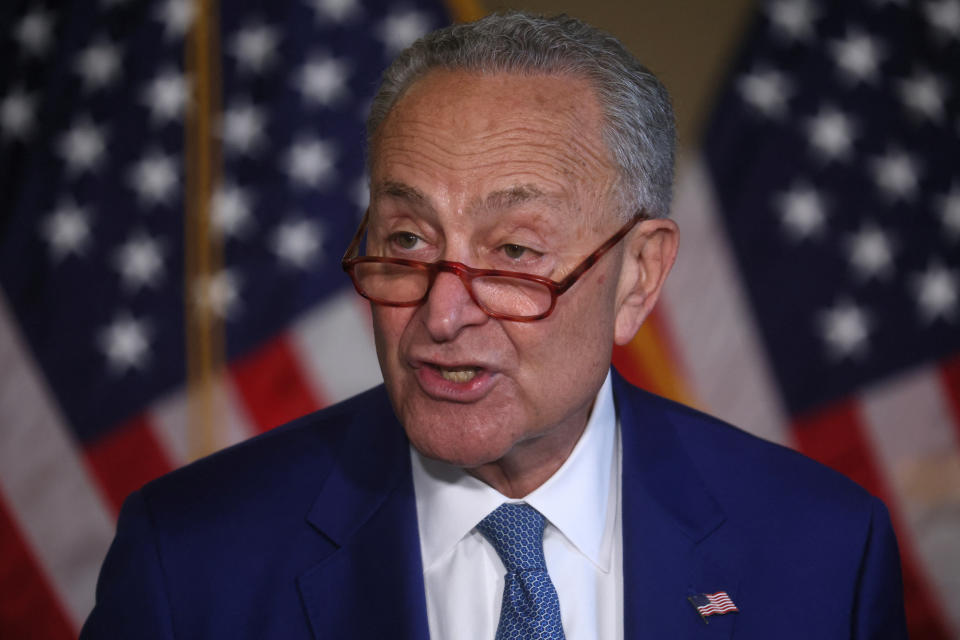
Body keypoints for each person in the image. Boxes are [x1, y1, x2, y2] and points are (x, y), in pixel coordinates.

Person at [81, 12, 907, 640]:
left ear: (639, 277)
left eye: (512, 252)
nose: (441, 317)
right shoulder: (187, 562)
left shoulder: (825, 551)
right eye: (407, 241)